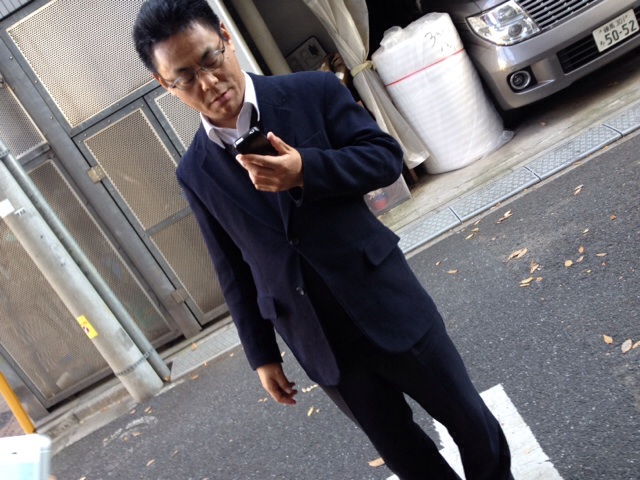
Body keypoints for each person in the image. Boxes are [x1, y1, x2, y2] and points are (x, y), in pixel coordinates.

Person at [133, 1, 513, 478]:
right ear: (163, 84)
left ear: (226, 38)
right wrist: (262, 355)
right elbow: (231, 264)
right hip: (318, 339)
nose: (208, 83)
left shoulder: (311, 91)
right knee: (407, 458)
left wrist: (306, 170)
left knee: (472, 425)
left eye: (210, 58)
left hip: (385, 300)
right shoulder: (194, 171)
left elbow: (384, 158)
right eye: (185, 77)